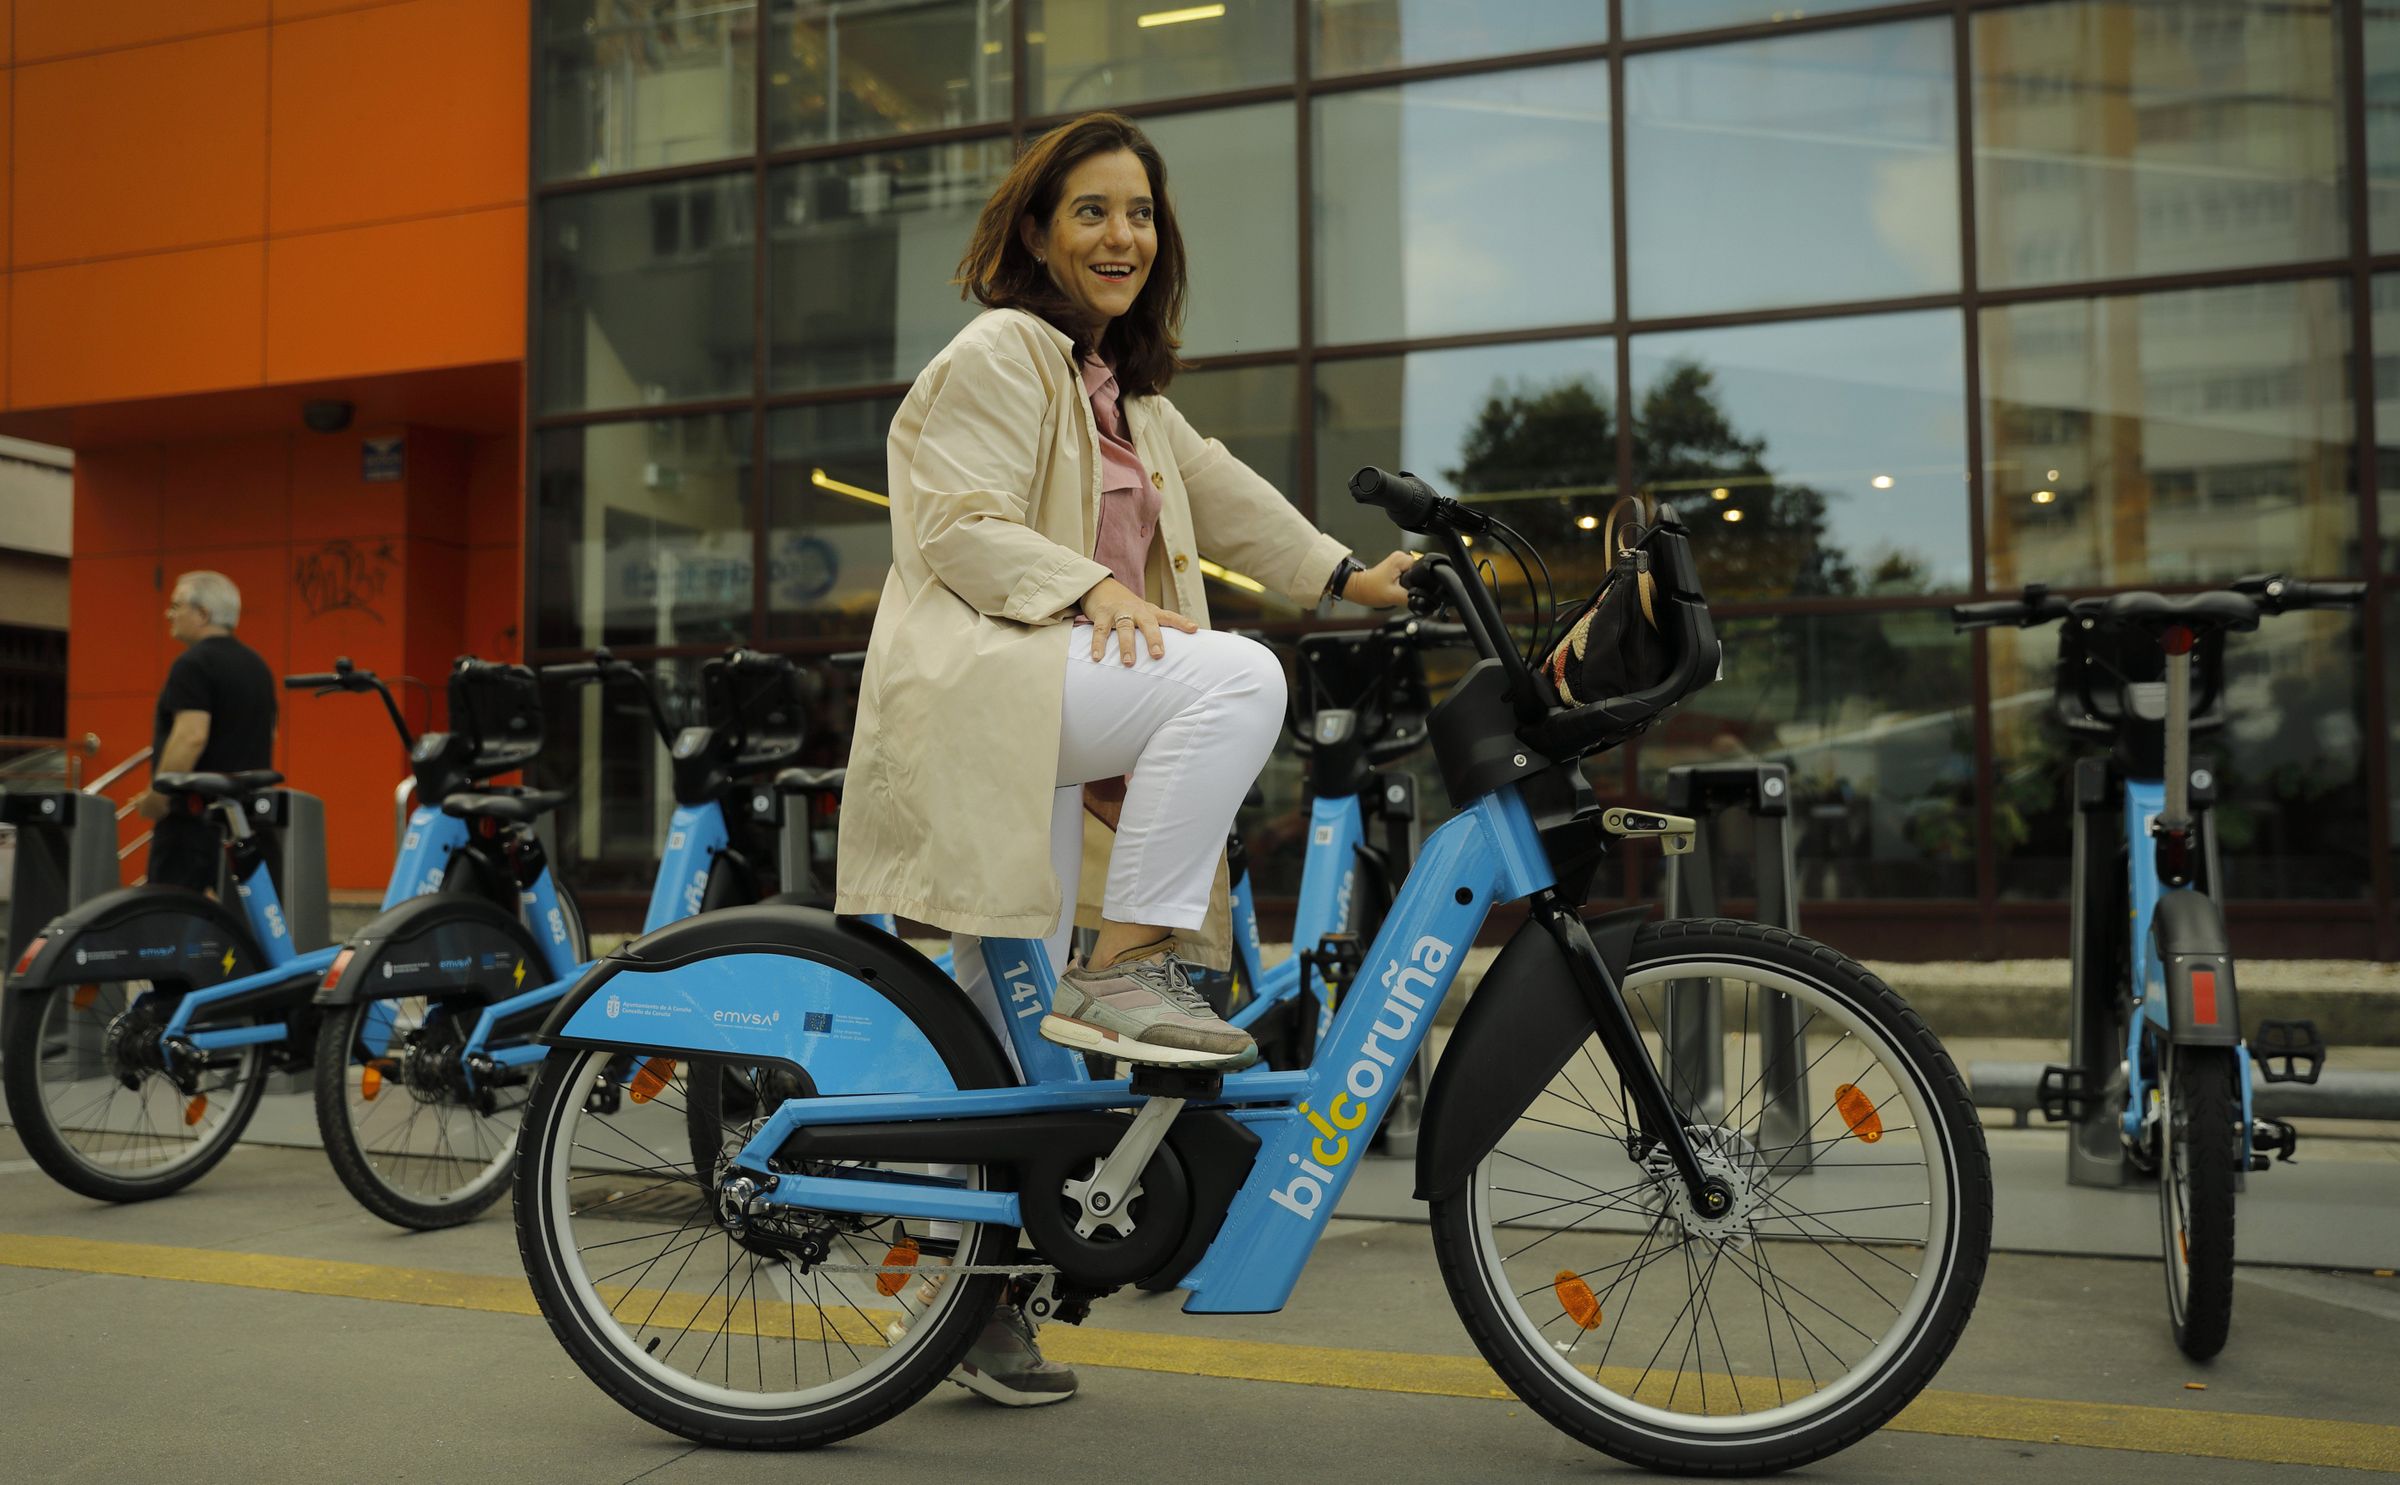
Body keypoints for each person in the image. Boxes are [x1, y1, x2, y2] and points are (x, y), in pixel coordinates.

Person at [834, 113, 1413, 1406]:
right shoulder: (1000, 350)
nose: (1121, 235)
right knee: (1236, 676)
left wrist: (1353, 576)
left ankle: (971, 1291)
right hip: (991, 685)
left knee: (999, 1016)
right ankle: (1129, 964)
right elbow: (955, 520)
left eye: (1140, 213)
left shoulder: (1129, 399)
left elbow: (1232, 499)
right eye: (1091, 211)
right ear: (1038, 233)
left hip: (1045, 701)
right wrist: (1091, 587)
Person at [135, 572, 278, 894]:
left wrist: (158, 797)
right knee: (238, 915)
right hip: (246, 819)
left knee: (170, 913)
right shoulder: (257, 667)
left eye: (176, 606)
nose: (168, 614)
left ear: (202, 614)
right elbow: (271, 733)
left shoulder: (192, 664)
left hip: (192, 821)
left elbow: (191, 736)